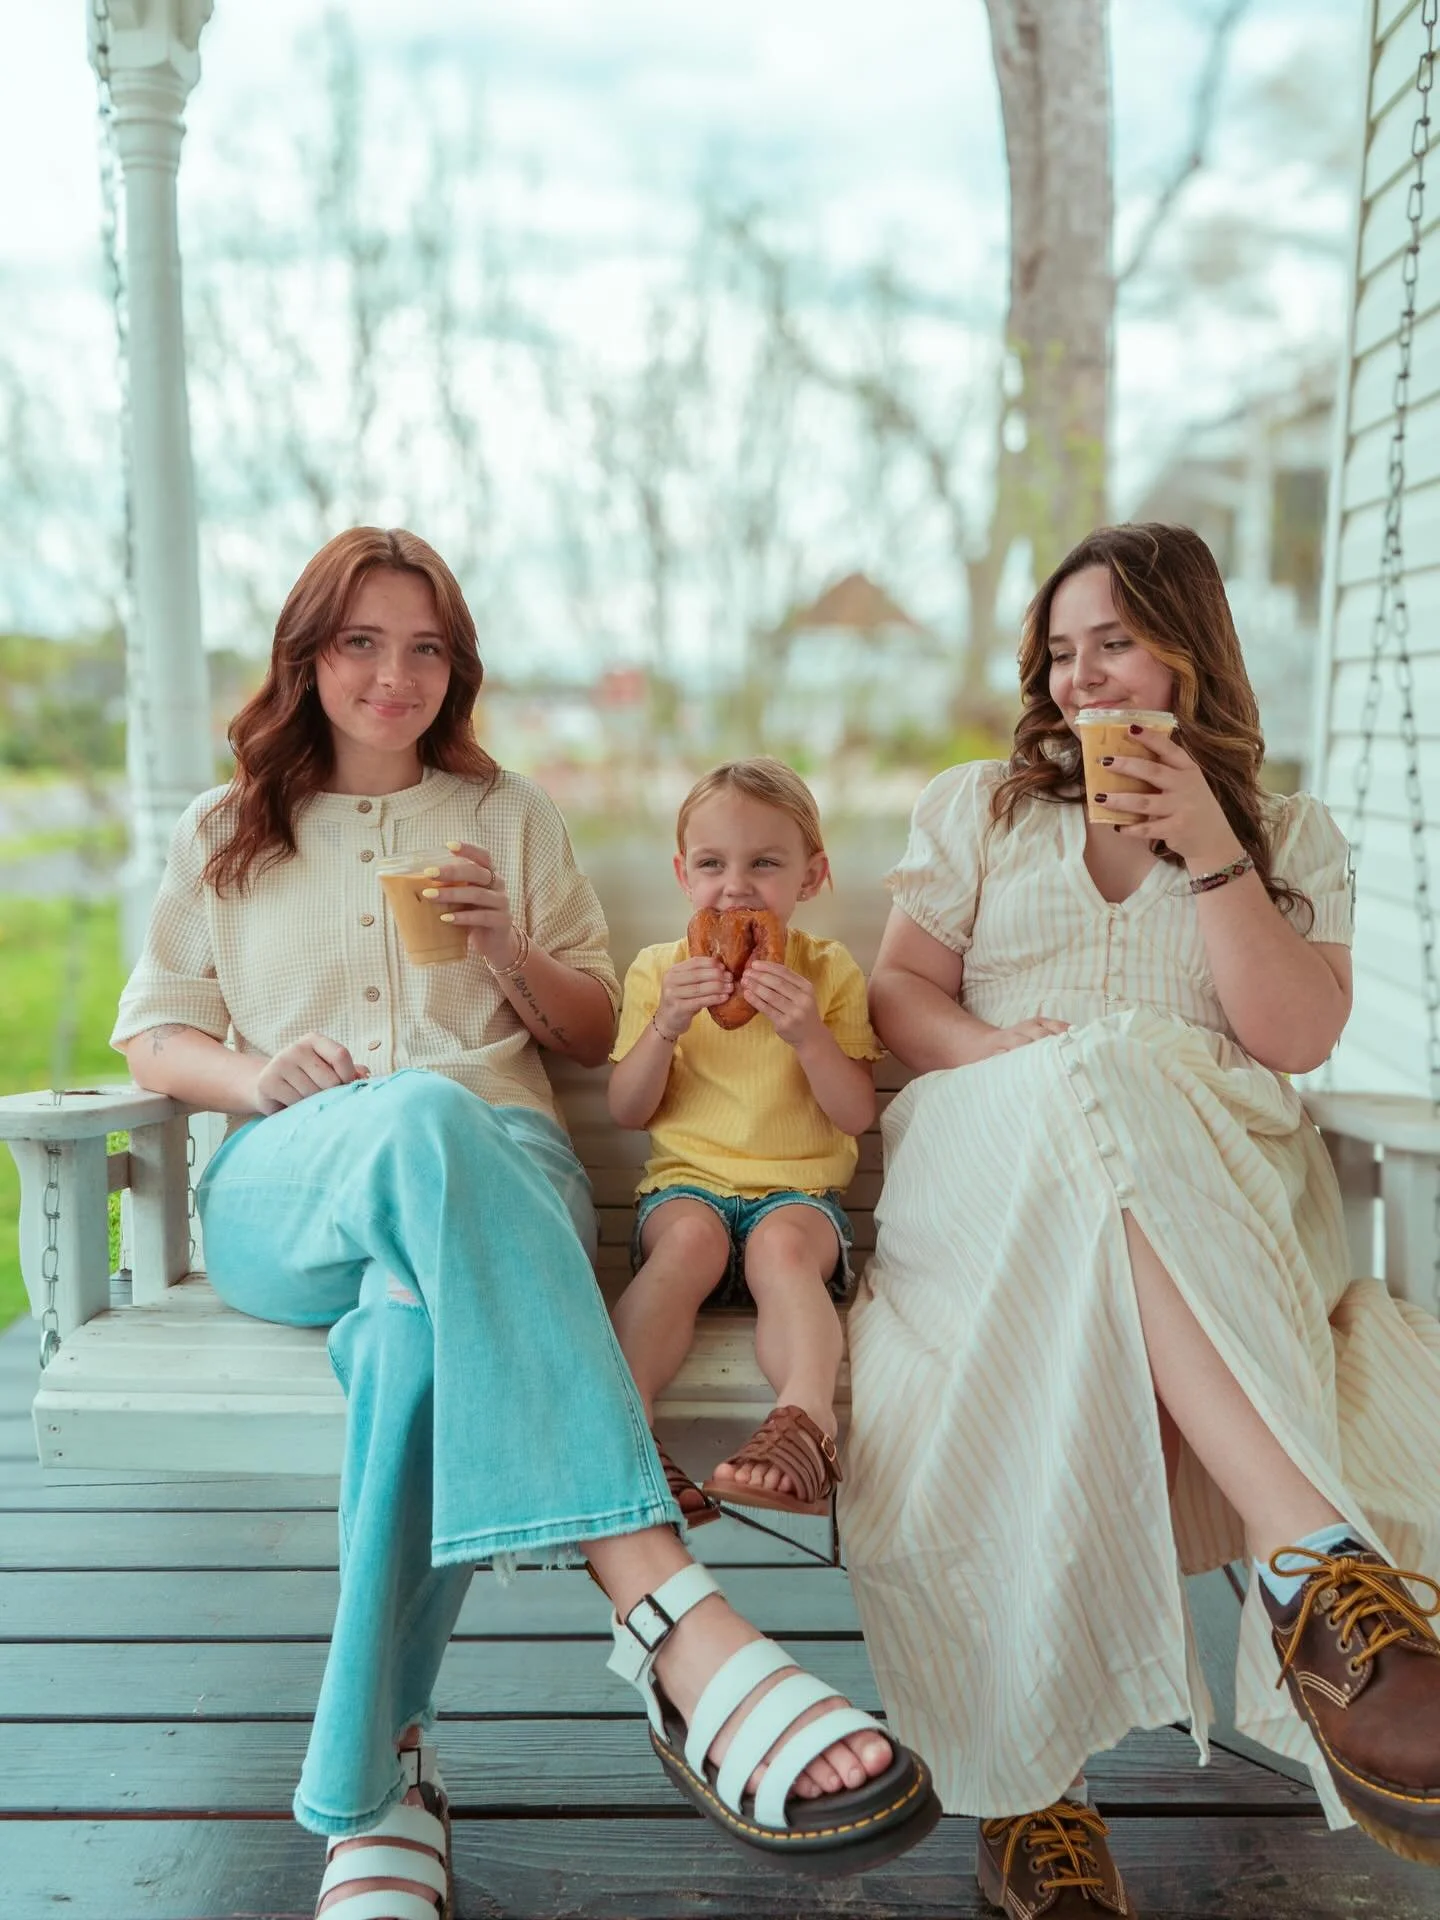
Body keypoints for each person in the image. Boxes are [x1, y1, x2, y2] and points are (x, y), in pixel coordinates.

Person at [111, 529, 939, 1919]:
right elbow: (154, 1038)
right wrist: (257, 1078)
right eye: (363, 643)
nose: (395, 674)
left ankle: (378, 1788)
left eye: (426, 646)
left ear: (459, 666)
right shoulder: (224, 830)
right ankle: (663, 1598)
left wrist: (503, 947)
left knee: (412, 1340)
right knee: (415, 1117)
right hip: (294, 1181)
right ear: (309, 657)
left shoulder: (508, 817)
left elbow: (583, 1036)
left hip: (503, 1175)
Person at [838, 522, 1440, 1915]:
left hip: (1214, 1187)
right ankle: (1321, 1577)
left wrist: (1212, 842)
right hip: (989, 1163)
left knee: (1115, 1087)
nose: (1081, 679)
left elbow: (1291, 1035)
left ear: (1189, 648)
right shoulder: (980, 808)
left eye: (1113, 642)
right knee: (1087, 1070)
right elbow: (899, 1003)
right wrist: (1022, 1064)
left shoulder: (1286, 833)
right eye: (1060, 652)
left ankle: (1027, 1795)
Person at [608, 759, 881, 1524]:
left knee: (782, 1252)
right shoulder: (658, 971)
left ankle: (806, 1425)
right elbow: (629, 1110)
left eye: (765, 863)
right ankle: (625, 1428)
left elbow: (854, 1112)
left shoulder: (827, 974)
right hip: (686, 1191)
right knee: (689, 1244)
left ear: (812, 876)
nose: (736, 886)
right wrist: (665, 1024)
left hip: (797, 1198)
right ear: (681, 874)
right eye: (711, 864)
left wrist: (808, 1035)